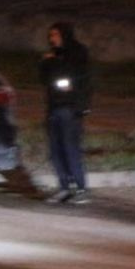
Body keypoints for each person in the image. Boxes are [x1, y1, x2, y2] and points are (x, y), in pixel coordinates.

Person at [39, 21, 92, 204]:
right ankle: (64, 187)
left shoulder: (77, 52)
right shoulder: (52, 55)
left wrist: (82, 106)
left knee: (70, 149)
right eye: (50, 35)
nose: (52, 38)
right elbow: (44, 78)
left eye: (55, 35)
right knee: (56, 150)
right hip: (54, 107)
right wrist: (47, 62)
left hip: (70, 108)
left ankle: (80, 188)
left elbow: (79, 79)